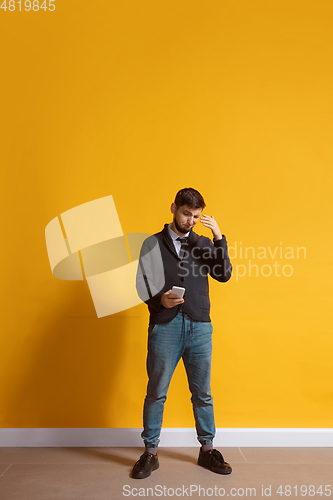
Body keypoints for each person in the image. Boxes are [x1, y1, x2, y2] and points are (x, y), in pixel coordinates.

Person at [132, 187, 232, 479]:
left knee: (203, 393)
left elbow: (223, 274)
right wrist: (159, 299)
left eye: (196, 216)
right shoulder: (152, 243)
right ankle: (150, 452)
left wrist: (218, 238)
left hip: (200, 325)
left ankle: (208, 450)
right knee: (156, 392)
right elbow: (142, 283)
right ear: (174, 208)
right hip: (165, 325)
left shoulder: (203, 242)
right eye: (186, 213)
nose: (190, 220)